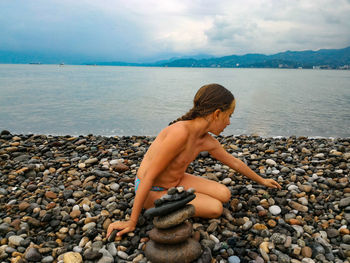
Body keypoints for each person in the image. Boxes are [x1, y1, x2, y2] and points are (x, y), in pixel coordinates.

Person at [107, 83, 281, 238]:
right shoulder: (179, 133)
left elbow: (233, 162)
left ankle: (178, 199)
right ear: (217, 113)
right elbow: (149, 176)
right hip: (152, 188)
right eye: (229, 116)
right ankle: (162, 208)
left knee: (225, 194)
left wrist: (262, 180)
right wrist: (131, 221)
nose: (228, 122)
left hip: (176, 181)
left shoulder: (207, 141)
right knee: (216, 209)